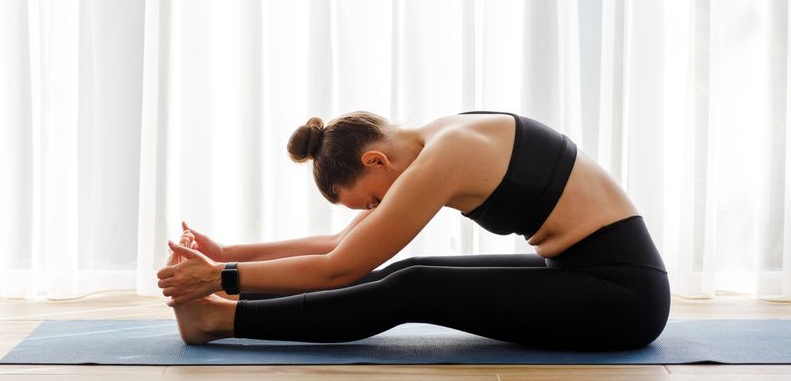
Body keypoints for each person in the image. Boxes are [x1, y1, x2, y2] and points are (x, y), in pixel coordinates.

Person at [156, 111, 670, 350]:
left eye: (374, 199)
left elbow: (343, 268)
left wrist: (221, 277)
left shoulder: (449, 157)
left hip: (624, 296)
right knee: (409, 269)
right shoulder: (441, 137)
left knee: (414, 288)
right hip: (579, 271)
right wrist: (229, 254)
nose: (379, 209)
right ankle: (218, 313)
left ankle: (220, 321)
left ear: (375, 159)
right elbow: (342, 244)